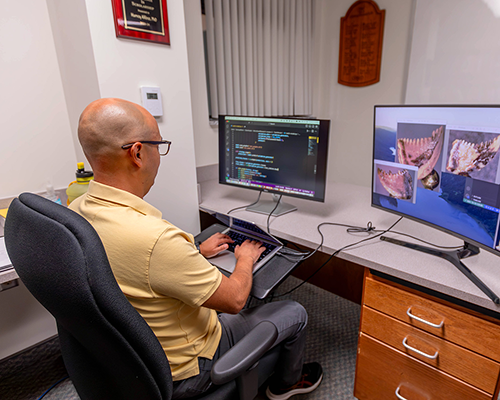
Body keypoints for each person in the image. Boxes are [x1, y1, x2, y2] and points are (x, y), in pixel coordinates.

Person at [69, 98, 323, 399]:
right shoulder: (156, 239)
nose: (159, 156)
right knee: (294, 310)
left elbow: (135, 265)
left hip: (134, 356)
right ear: (138, 153)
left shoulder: (78, 209)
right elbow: (235, 300)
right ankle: (286, 384)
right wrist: (244, 259)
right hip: (187, 367)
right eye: (158, 146)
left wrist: (195, 251)